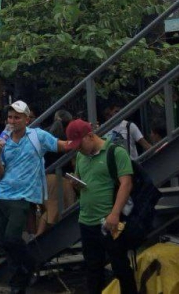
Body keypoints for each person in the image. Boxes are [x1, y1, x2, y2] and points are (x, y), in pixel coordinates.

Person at [0, 102, 83, 294]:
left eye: (17, 117)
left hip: (23, 196)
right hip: (1, 194)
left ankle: (27, 267)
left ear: (27, 119)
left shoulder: (37, 136)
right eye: (10, 117)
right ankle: (19, 279)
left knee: (12, 238)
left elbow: (61, 146)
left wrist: (83, 138)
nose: (13, 121)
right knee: (5, 242)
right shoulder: (3, 139)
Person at [70, 120, 136, 294]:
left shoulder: (116, 152)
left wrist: (115, 213)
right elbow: (81, 179)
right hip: (86, 220)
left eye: (80, 145)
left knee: (120, 266)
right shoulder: (81, 156)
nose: (79, 149)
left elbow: (126, 184)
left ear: (90, 136)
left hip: (109, 220)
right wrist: (76, 184)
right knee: (93, 268)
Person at [37, 110, 76, 238]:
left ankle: (43, 238)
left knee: (51, 209)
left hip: (46, 177)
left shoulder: (45, 134)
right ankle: (39, 238)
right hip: (61, 176)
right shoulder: (67, 136)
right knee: (57, 211)